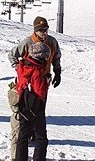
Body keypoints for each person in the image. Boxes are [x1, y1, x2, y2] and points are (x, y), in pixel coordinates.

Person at [8, 16, 61, 161]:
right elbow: (12, 55)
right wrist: (20, 70)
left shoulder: (52, 42)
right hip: (30, 85)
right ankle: (33, 134)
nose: (45, 32)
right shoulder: (27, 42)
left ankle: (31, 134)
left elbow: (56, 57)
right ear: (35, 30)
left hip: (42, 81)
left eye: (46, 29)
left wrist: (57, 71)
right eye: (42, 30)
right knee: (34, 118)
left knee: (33, 114)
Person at [15, 42, 51, 161]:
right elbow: (40, 92)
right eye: (46, 56)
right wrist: (46, 81)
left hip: (23, 103)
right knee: (41, 138)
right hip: (35, 107)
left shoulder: (23, 66)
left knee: (23, 135)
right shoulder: (37, 71)